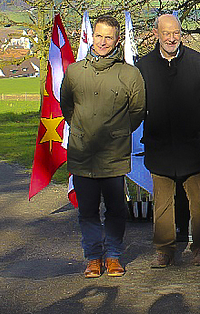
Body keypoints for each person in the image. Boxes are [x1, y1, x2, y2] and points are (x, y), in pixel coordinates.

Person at [60, 15, 146, 278]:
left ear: (117, 40)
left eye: (109, 37)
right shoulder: (74, 72)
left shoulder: (130, 74)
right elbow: (67, 107)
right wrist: (85, 129)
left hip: (114, 155)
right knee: (87, 210)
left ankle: (114, 256)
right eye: (99, 36)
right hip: (83, 153)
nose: (103, 42)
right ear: (91, 37)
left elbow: (138, 110)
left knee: (116, 209)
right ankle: (93, 258)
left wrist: (117, 133)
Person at [136, 14, 200, 269]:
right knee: (162, 203)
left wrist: (196, 129)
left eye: (176, 33)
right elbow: (140, 103)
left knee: (199, 201)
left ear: (181, 34)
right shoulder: (144, 66)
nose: (171, 38)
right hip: (160, 146)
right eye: (166, 33)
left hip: (193, 145)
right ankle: (164, 250)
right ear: (156, 33)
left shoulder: (198, 62)